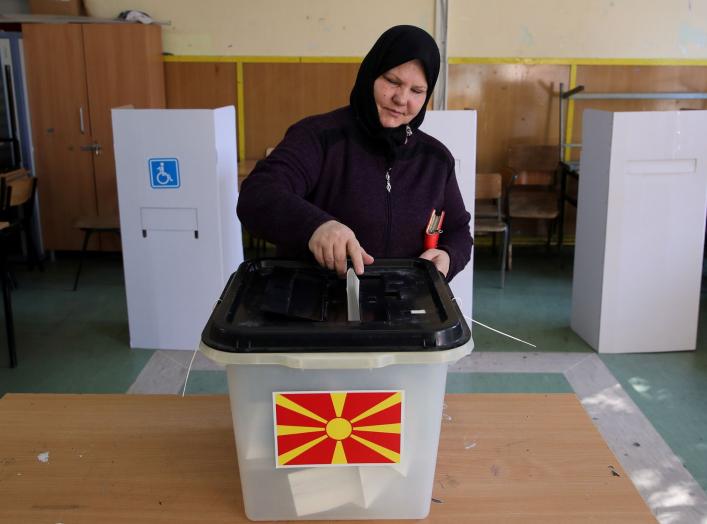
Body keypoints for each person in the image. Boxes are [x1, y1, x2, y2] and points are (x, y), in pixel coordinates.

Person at [237, 25, 472, 281]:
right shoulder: (318, 137)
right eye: (392, 81)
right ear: (370, 75)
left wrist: (448, 256)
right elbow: (257, 194)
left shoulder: (436, 159)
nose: (402, 99)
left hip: (403, 309)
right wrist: (315, 226)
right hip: (315, 307)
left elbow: (458, 231)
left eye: (417, 91)